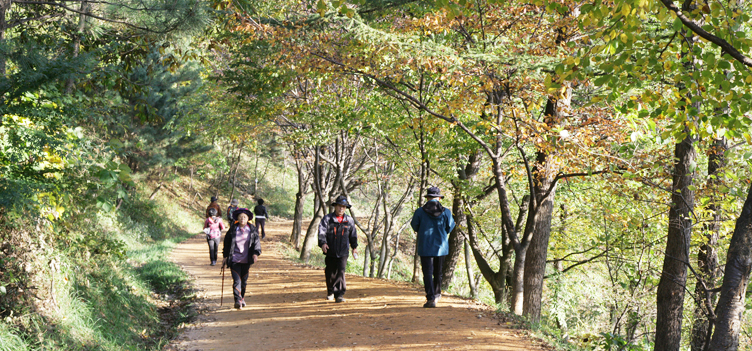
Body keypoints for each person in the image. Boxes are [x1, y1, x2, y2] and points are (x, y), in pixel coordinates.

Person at [411, 186, 455, 308]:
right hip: (441, 247)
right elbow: (450, 227)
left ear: (428, 198)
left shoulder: (419, 211)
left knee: (427, 273)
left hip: (425, 246)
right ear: (439, 198)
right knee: (438, 272)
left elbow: (415, 226)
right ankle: (437, 294)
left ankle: (430, 298)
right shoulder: (446, 212)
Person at [318, 195, 358, 303]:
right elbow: (322, 233)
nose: (341, 209)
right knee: (330, 272)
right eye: (339, 206)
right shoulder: (327, 219)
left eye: (344, 207)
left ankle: (339, 294)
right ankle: (330, 291)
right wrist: (323, 243)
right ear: (335, 206)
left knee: (341, 272)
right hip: (330, 250)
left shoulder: (349, 220)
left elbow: (353, 235)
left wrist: (354, 247)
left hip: (343, 251)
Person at [222, 208, 261, 310]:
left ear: (248, 218)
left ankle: (242, 298)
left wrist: (255, 254)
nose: (242, 219)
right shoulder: (233, 229)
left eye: (244, 217)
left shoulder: (252, 230)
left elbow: (257, 243)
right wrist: (225, 257)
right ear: (237, 219)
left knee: (244, 281)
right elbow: (226, 244)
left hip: (246, 260)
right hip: (234, 259)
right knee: (237, 281)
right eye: (240, 217)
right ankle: (237, 300)